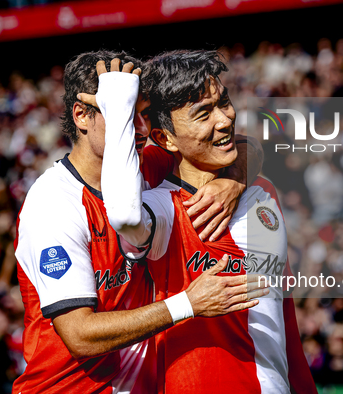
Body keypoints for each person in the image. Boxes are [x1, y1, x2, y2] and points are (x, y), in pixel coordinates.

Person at [13, 50, 267, 394]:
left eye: (145, 115)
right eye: (125, 114)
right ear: (81, 115)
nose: (142, 129)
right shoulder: (53, 204)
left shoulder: (146, 164)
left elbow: (238, 143)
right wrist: (188, 304)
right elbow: (79, 336)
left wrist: (233, 179)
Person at [92, 49, 317, 394]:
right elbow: (123, 214)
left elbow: (282, 322)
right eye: (203, 114)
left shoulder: (263, 192)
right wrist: (119, 99)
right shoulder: (162, 208)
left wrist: (236, 177)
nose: (225, 120)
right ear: (165, 138)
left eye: (223, 102)